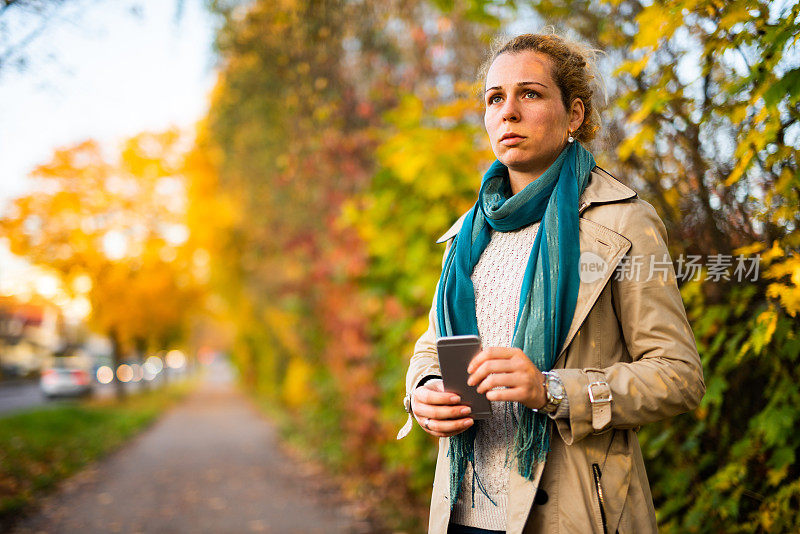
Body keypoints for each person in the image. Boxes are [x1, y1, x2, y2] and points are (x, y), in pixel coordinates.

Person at [396, 32, 705, 534]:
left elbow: (678, 376)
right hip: (462, 511)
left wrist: (551, 389)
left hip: (569, 512)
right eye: (495, 98)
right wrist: (425, 390)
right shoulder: (467, 236)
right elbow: (433, 349)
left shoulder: (623, 225)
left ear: (575, 116)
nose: (508, 112)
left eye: (530, 94)